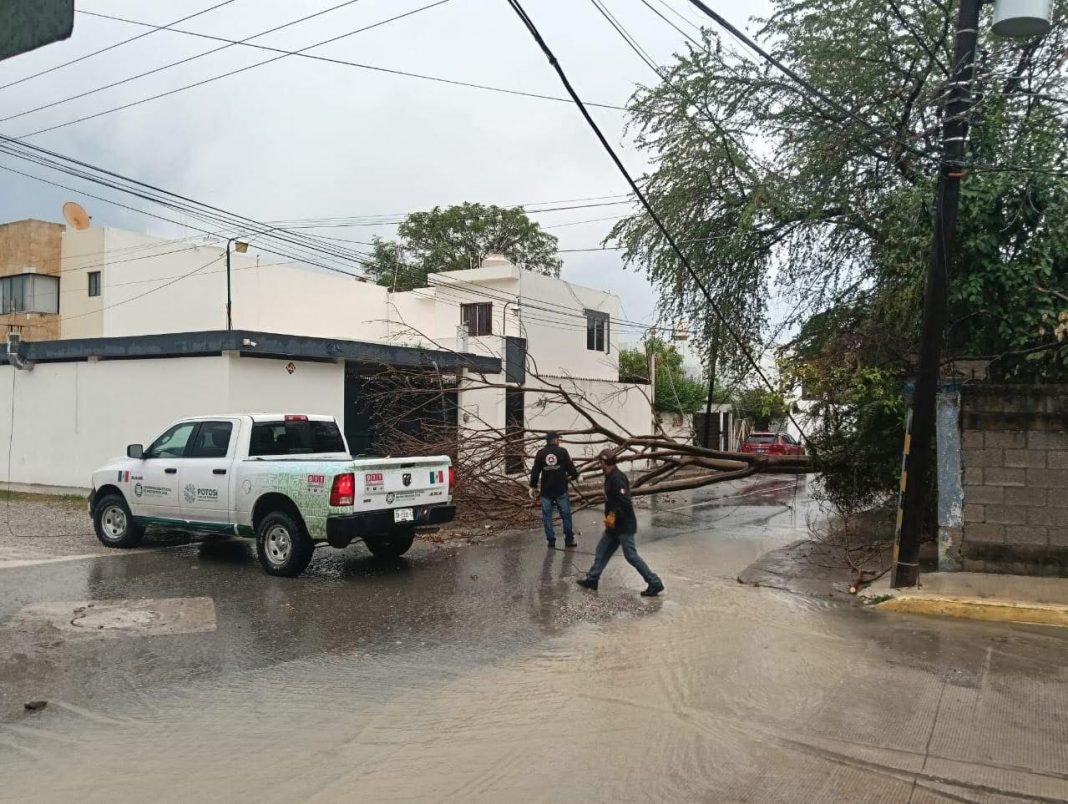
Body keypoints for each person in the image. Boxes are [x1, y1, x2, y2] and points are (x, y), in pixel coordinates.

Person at [577, 449, 664, 597]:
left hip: (624, 525)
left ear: (604, 462)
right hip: (614, 526)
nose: (599, 465)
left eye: (600, 462)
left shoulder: (617, 478)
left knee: (631, 556)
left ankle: (654, 583)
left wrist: (612, 514)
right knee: (602, 550)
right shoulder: (610, 476)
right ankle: (592, 579)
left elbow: (624, 502)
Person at [529, 432, 579, 548]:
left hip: (546, 491)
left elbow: (535, 471)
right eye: (558, 439)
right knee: (566, 514)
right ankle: (569, 540)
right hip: (561, 489)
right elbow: (570, 467)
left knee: (547, 516)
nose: (559, 441)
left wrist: (532, 486)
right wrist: (575, 476)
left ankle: (551, 541)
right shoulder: (563, 452)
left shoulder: (540, 453)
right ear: (555, 440)